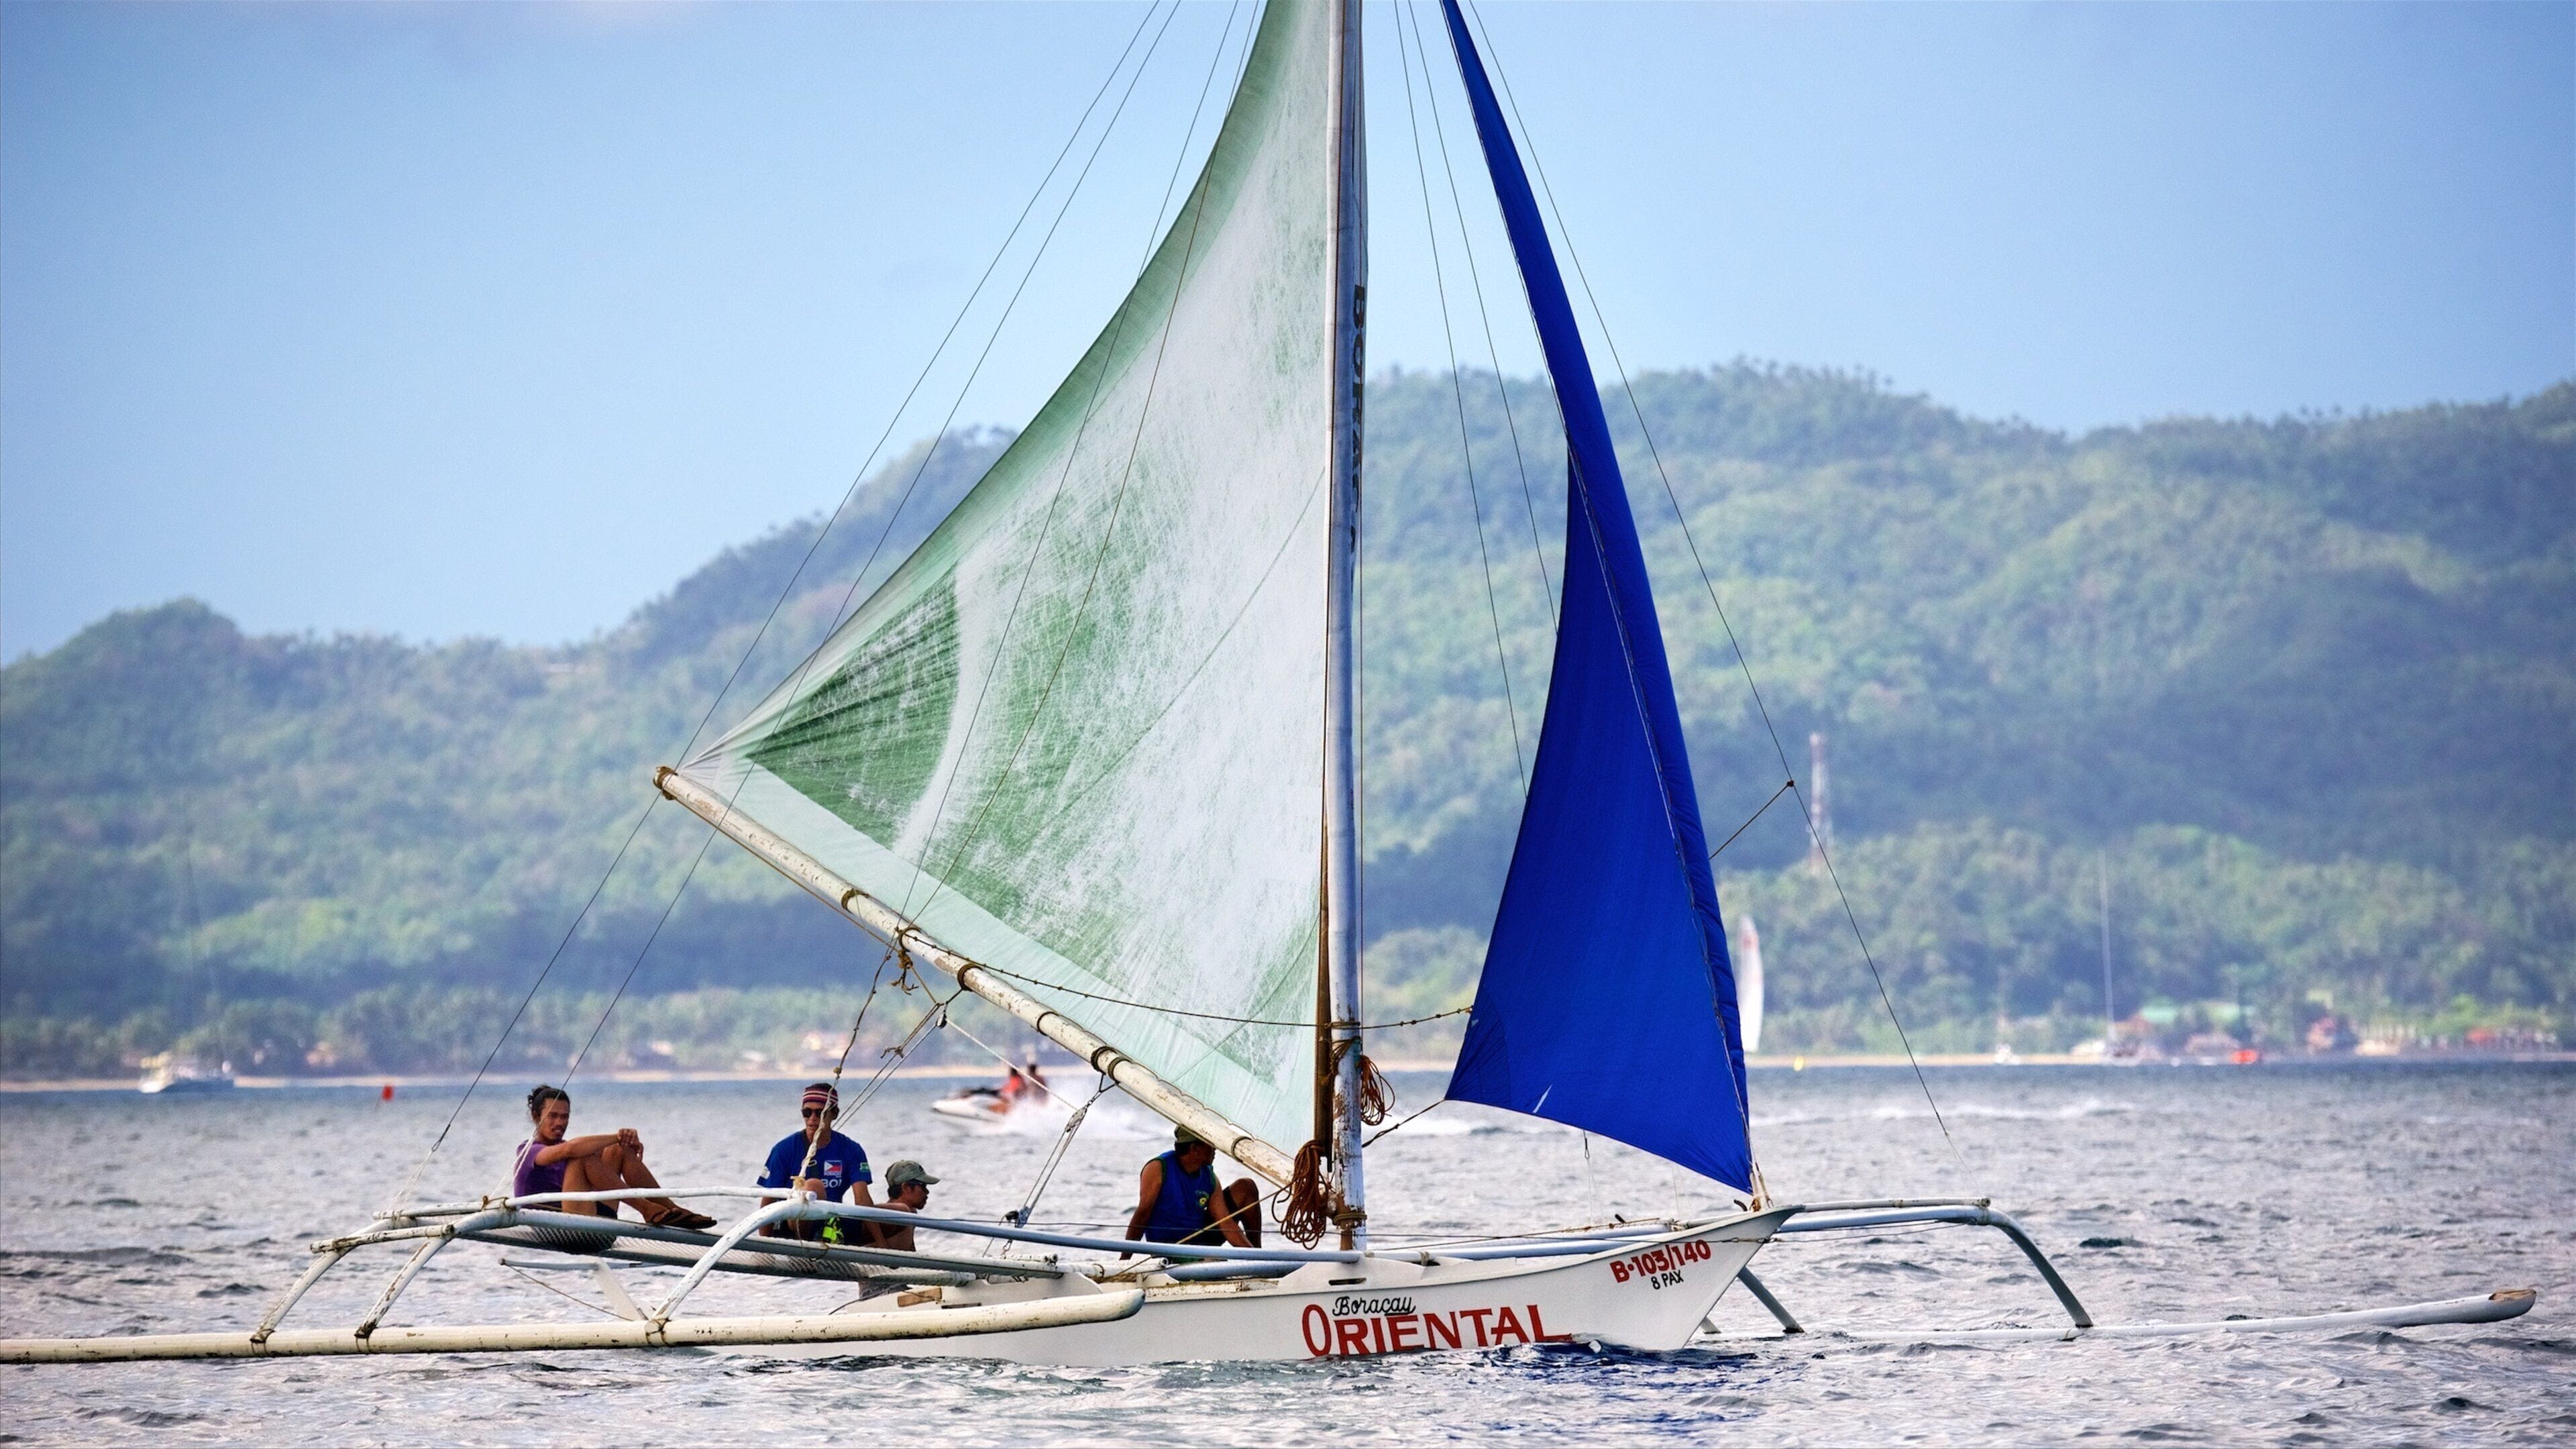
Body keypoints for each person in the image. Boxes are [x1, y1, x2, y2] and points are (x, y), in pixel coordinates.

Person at [513, 1085, 716, 1230]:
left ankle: (673, 1210)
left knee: (619, 1150)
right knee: (581, 1155)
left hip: (595, 1220)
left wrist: (623, 1141)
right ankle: (647, 1209)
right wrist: (616, 1135)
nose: (560, 1122)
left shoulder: (566, 1147)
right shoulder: (528, 1150)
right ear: (536, 1117)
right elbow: (572, 1150)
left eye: (565, 1116)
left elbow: (592, 1153)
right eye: (553, 1116)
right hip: (563, 1229)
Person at [756, 1082, 872, 1242]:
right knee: (813, 1187)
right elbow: (768, 1200)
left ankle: (896, 1264)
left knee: (901, 1211)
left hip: (832, 1225)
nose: (812, 1119)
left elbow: (862, 1199)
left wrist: (881, 1242)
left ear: (834, 1114)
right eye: (807, 1112)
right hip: (792, 1228)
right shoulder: (784, 1149)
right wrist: (765, 1248)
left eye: (820, 1113)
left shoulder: (851, 1149)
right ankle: (806, 1252)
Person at [1123, 1126, 1260, 1252]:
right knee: (1214, 1262)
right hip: (1170, 1247)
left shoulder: (1209, 1176)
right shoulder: (1158, 1168)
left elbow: (1225, 1223)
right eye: (1210, 1144)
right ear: (1195, 1148)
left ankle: (1259, 1258)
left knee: (1246, 1188)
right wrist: (1124, 1260)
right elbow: (1142, 1214)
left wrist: (1255, 1257)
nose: (1215, 1149)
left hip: (1198, 1241)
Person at [865, 1160, 940, 1252]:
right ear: (906, 1187)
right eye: (923, 1186)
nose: (927, 1192)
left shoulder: (911, 1214)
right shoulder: (897, 1213)